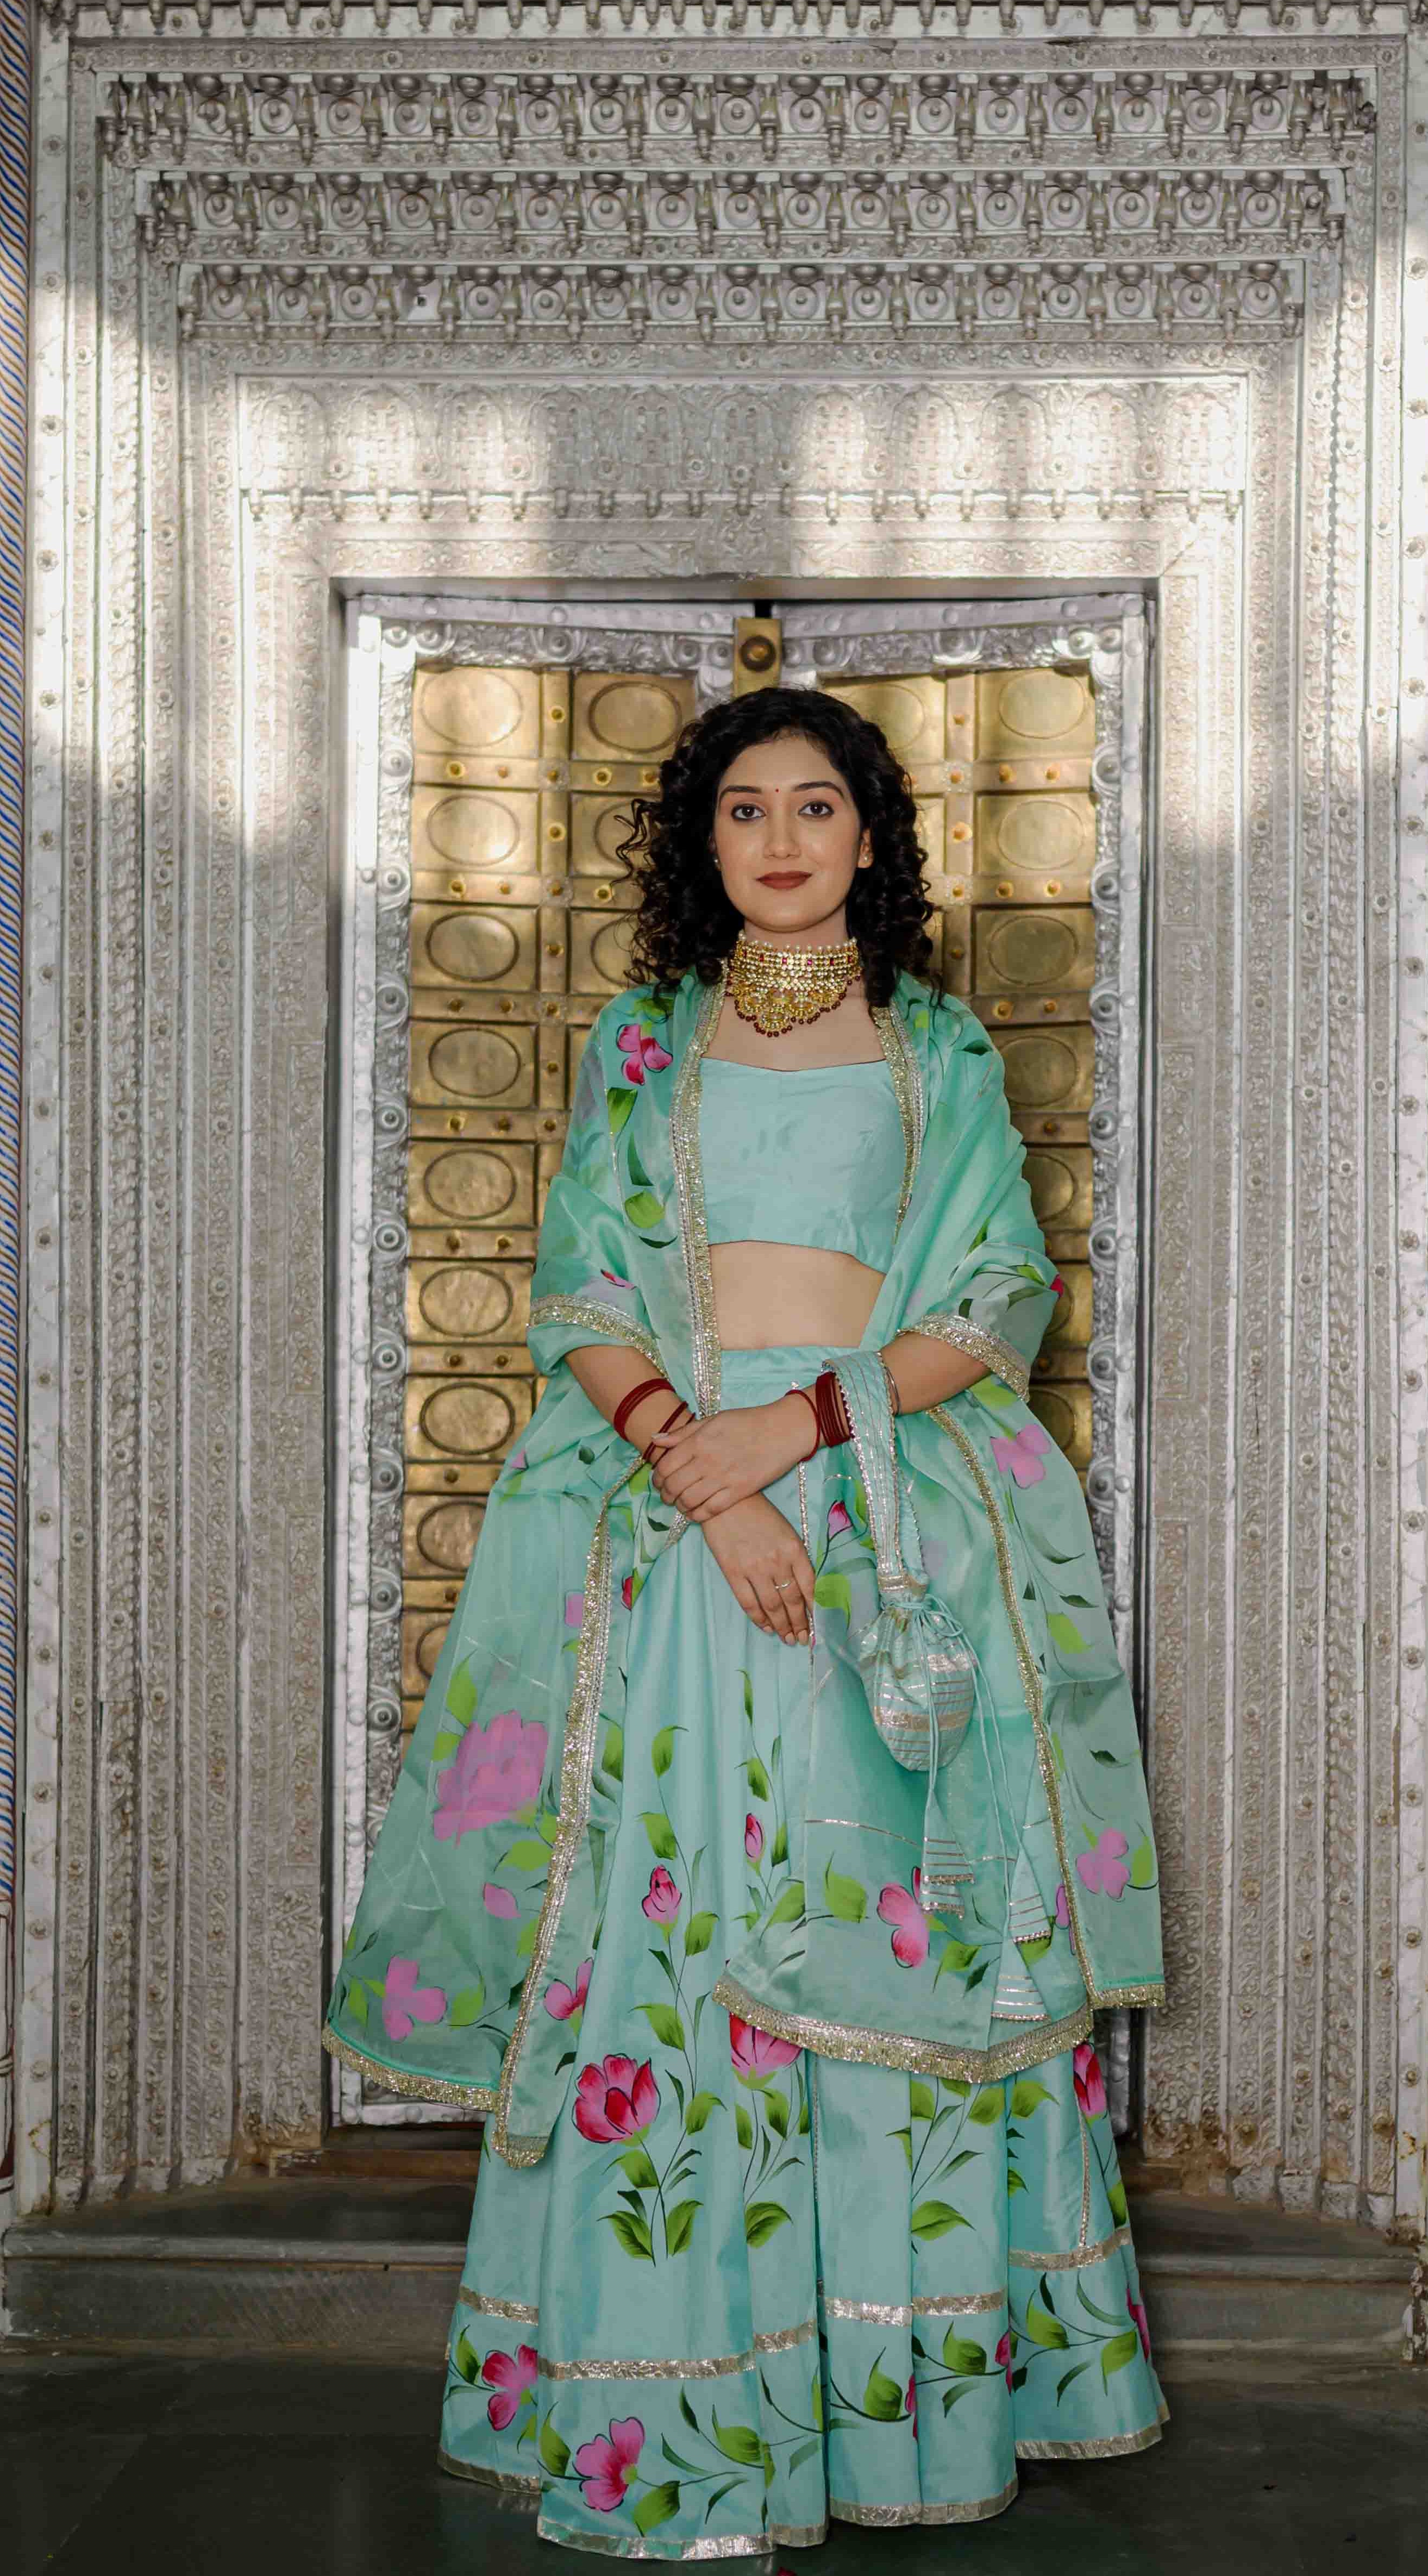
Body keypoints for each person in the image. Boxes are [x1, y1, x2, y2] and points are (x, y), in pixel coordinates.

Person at [326, 685, 1167, 2554]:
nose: (780, 839)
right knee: (669, 1934)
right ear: (699, 845)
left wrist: (791, 1438)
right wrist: (690, 1467)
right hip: (674, 1531)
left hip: (884, 1515)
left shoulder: (939, 1048)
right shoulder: (642, 1040)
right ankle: (679, 2419)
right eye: (741, 810)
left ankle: (890, 2416)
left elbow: (995, 1294)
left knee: (893, 1944)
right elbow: (581, 1289)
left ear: (873, 835)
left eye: (817, 806)